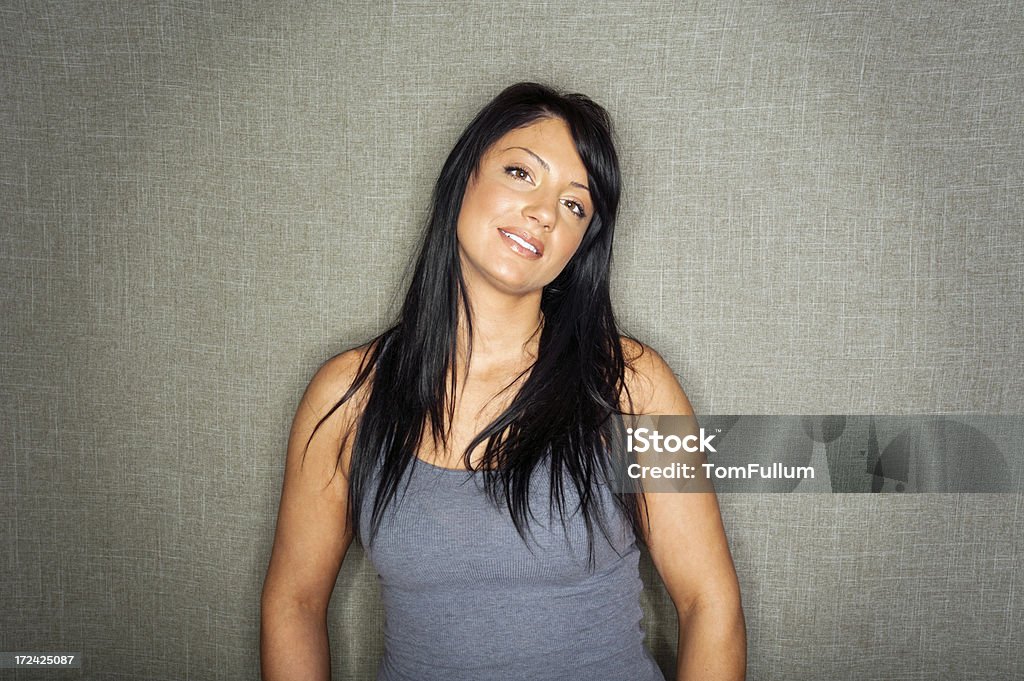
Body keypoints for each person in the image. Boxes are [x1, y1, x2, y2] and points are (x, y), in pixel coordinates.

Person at [260, 82, 746, 681]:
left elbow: (708, 601)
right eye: (522, 173)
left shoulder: (630, 386)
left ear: (578, 245)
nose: (545, 212)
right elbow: (295, 603)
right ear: (464, 176)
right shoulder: (348, 395)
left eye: (575, 205)